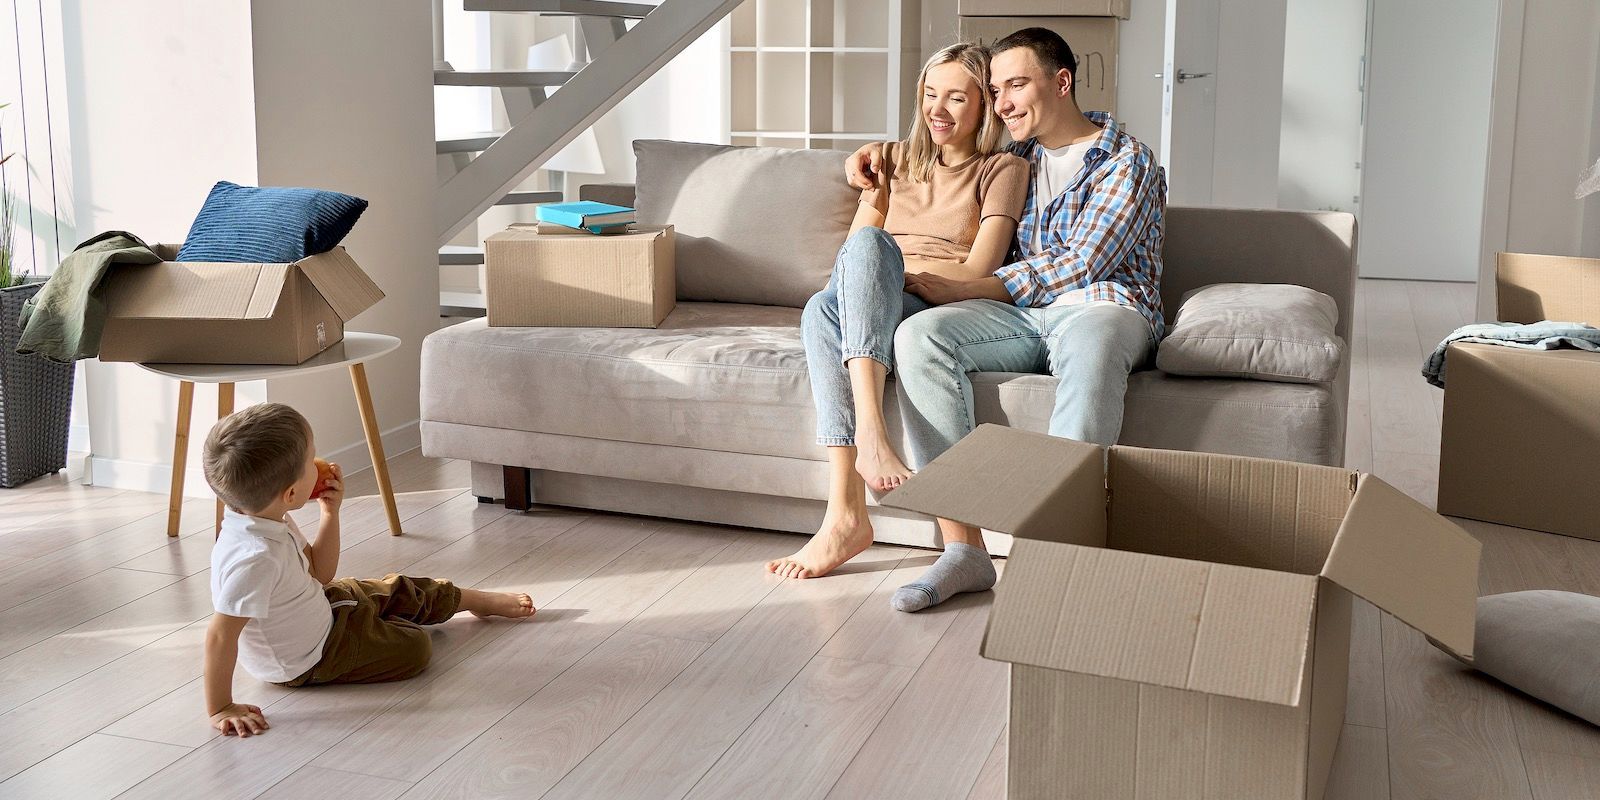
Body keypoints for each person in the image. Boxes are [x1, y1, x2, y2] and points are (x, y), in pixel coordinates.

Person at [841, 27, 1168, 612]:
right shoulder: (1011, 160)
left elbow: (1084, 263)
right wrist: (872, 154)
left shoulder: (1127, 159)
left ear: (1061, 82)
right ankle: (963, 549)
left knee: (1092, 351)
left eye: (1015, 85)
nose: (1003, 103)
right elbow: (940, 147)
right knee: (920, 335)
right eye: (995, 90)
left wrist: (964, 285)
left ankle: (1054, 555)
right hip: (1018, 316)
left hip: (1103, 307)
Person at [765, 42, 1029, 584]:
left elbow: (981, 265)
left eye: (957, 98)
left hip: (931, 295)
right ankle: (868, 452)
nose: (938, 109)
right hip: (869, 291)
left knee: (824, 308)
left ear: (984, 107)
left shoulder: (1002, 169)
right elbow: (856, 256)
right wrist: (877, 269)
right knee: (837, 287)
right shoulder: (889, 160)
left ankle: (846, 510)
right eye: (930, 94)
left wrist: (898, 275)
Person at [201, 403, 535, 738]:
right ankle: (386, 623)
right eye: (310, 462)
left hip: (321, 604)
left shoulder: (268, 519)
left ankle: (470, 599)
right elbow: (220, 635)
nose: (319, 466)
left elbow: (320, 573)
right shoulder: (253, 558)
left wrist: (330, 513)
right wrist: (220, 707)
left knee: (398, 587)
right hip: (312, 657)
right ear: (290, 494)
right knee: (415, 649)